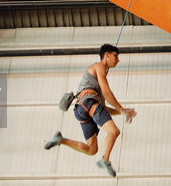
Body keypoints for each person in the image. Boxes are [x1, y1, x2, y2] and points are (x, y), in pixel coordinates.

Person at [44, 44, 137, 177]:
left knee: (92, 149)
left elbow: (103, 108)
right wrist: (121, 109)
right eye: (116, 56)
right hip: (88, 104)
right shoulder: (99, 67)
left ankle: (61, 140)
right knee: (114, 131)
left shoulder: (97, 81)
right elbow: (106, 92)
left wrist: (122, 112)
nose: (118, 60)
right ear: (107, 55)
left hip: (81, 109)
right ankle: (105, 160)